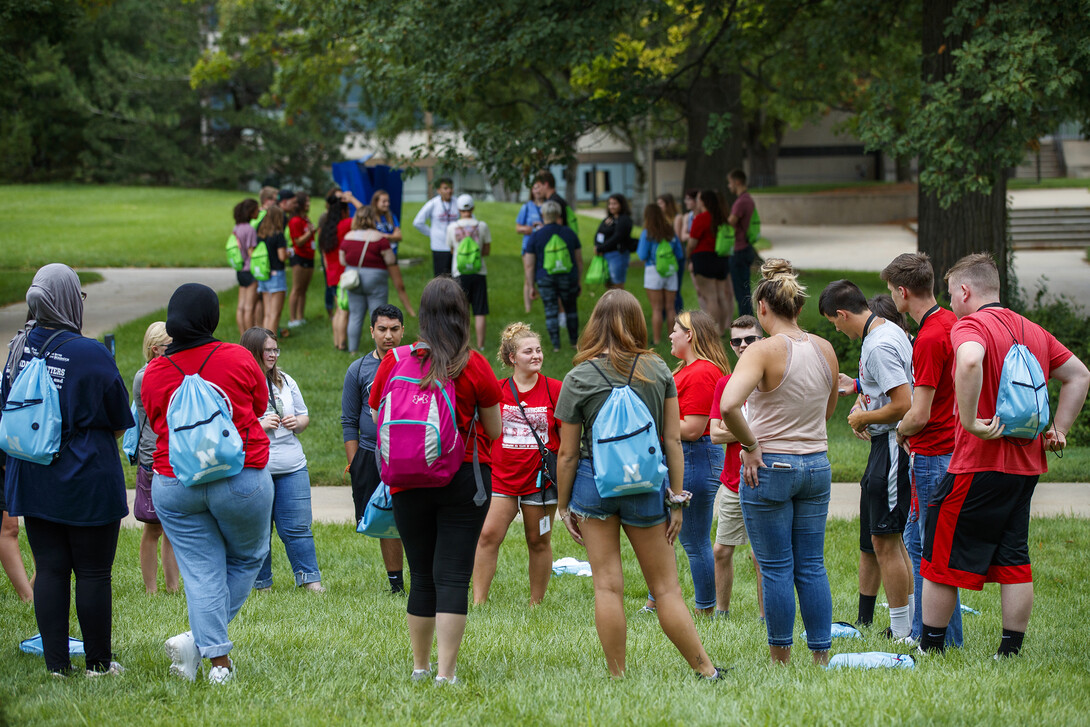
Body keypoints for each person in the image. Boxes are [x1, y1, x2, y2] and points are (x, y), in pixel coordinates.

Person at [920, 254, 1089, 657]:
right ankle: (1009, 651)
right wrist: (1059, 430)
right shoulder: (1031, 329)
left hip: (978, 462)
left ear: (965, 291)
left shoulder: (971, 324)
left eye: (950, 295)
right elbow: (1079, 374)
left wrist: (971, 419)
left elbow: (971, 359)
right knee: (1014, 556)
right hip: (1027, 466)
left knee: (938, 554)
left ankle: (931, 647)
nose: (950, 304)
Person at [554, 289, 723, 680]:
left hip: (594, 485)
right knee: (666, 589)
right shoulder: (657, 369)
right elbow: (673, 441)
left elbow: (566, 455)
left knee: (607, 587)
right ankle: (706, 670)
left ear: (594, 323)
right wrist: (677, 499)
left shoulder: (578, 376)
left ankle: (617, 675)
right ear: (637, 322)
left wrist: (565, 506)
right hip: (647, 485)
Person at [367, 277, 502, 685]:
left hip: (408, 480)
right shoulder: (472, 363)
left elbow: (378, 417)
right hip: (463, 478)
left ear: (421, 316)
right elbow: (494, 430)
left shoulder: (396, 360)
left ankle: (420, 668)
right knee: (453, 576)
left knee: (421, 575)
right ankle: (447, 673)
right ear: (462, 313)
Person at [2, 264, 134, 676]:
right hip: (87, 479)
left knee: (51, 569)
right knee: (94, 572)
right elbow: (118, 418)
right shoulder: (91, 353)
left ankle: (57, 665)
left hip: (33, 477)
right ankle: (97, 664)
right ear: (67, 301)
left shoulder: (16, 349)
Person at [142, 283, 274, 685]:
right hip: (241, 475)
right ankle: (201, 644)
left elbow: (155, 418)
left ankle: (216, 663)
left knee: (201, 573)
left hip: (174, 482)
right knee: (249, 556)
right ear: (212, 317)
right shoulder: (236, 356)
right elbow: (260, 404)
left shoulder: (154, 372)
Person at [719, 259, 839, 665]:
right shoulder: (825, 348)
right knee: (811, 565)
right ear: (798, 308)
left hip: (771, 468)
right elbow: (828, 410)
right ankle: (821, 657)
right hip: (817, 465)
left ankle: (780, 659)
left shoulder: (763, 351)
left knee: (775, 568)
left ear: (762, 309)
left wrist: (750, 445)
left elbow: (728, 406)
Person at [820, 279, 915, 639]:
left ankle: (903, 630)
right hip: (885, 446)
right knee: (889, 540)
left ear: (843, 314)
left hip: (892, 445)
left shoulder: (878, 344)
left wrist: (864, 417)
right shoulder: (885, 329)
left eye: (834, 322)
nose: (837, 329)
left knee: (886, 541)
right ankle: (907, 623)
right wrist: (861, 394)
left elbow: (904, 403)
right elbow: (889, 388)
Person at [880, 252, 963, 647]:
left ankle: (940, 641)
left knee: (931, 553)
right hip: (948, 451)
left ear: (902, 292)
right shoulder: (950, 321)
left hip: (932, 456)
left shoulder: (929, 337)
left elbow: (921, 413)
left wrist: (898, 430)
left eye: (890, 292)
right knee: (922, 545)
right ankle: (929, 634)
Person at [641, 310, 729, 617]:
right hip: (682, 457)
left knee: (693, 539)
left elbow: (692, 428)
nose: (670, 335)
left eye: (675, 330)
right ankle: (655, 602)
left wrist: (650, 421)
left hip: (695, 457)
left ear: (689, 335)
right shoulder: (686, 369)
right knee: (664, 532)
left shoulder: (703, 371)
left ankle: (705, 610)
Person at [473, 323, 562, 605]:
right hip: (501, 477)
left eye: (538, 350)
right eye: (528, 351)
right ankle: (478, 602)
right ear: (512, 358)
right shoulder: (497, 390)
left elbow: (566, 436)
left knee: (539, 541)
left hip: (542, 481)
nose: (536, 355)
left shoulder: (555, 389)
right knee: (487, 536)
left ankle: (536, 604)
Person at [240, 327, 324, 594]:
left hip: (292, 466)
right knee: (258, 530)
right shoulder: (239, 382)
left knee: (298, 527)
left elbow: (304, 417)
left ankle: (310, 580)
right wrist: (259, 424)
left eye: (276, 349)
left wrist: (296, 422)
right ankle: (261, 584)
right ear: (254, 351)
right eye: (268, 350)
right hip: (256, 466)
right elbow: (231, 424)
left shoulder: (285, 381)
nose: (274, 354)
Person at [343, 304, 406, 594]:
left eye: (394, 329)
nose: (388, 335)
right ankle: (396, 585)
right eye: (382, 329)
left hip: (411, 454)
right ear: (371, 331)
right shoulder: (358, 369)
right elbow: (349, 421)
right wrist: (356, 465)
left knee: (416, 517)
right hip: (371, 454)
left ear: (403, 330)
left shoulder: (415, 363)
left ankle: (426, 576)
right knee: (386, 520)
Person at [709, 315, 764, 619]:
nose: (742, 345)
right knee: (721, 550)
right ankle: (722, 612)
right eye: (736, 341)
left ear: (762, 340)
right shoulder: (725, 384)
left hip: (764, 476)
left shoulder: (770, 380)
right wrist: (750, 431)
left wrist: (739, 430)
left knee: (761, 555)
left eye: (750, 339)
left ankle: (765, 615)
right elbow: (715, 434)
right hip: (732, 481)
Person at [132, 321, 179, 595]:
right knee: (153, 528)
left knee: (172, 527)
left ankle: (173, 587)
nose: (175, 351)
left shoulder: (174, 370)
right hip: (153, 455)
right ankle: (151, 589)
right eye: (169, 347)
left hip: (176, 455)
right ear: (154, 349)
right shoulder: (145, 376)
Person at [341, 205, 416, 356]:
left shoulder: (347, 237)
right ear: (372, 218)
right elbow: (390, 259)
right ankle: (381, 351)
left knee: (355, 315)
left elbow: (342, 260)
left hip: (353, 279)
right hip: (375, 279)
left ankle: (353, 350)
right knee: (379, 317)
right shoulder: (379, 238)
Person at [525, 201, 584, 352]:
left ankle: (556, 346)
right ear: (558, 215)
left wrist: (531, 285)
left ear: (543, 215)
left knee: (551, 310)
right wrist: (578, 280)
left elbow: (530, 264)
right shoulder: (570, 233)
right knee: (571, 309)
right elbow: (578, 260)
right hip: (568, 276)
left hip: (545, 278)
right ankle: (573, 342)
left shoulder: (536, 236)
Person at [447, 194, 491, 351]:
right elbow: (486, 251)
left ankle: (463, 343)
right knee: (479, 310)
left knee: (460, 309)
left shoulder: (452, 227)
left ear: (458, 209)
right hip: (479, 271)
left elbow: (452, 250)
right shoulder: (482, 225)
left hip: (459, 272)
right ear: (473, 208)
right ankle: (481, 345)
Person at [636, 203, 684, 344]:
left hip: (653, 270)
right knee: (670, 307)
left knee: (657, 308)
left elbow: (642, 255)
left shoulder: (647, 232)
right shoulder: (670, 231)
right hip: (670, 272)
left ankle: (656, 340)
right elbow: (679, 254)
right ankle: (672, 339)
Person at [687, 189, 732, 334]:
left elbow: (692, 243)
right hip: (721, 259)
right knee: (721, 296)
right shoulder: (722, 218)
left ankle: (713, 331)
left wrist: (688, 256)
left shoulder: (701, 218)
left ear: (704, 202)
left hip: (704, 259)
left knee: (710, 297)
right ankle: (723, 329)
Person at [318, 189, 355, 349]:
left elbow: (325, 258)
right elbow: (365, 215)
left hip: (331, 275)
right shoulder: (345, 225)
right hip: (343, 275)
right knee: (344, 311)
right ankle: (342, 344)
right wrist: (352, 199)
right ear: (343, 211)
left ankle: (336, 342)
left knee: (338, 310)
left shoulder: (325, 230)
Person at [412, 177, 459, 277]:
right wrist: (432, 233)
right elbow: (418, 222)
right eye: (445, 188)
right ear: (438, 190)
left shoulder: (457, 202)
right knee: (441, 278)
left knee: (456, 278)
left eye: (451, 188)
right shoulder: (433, 204)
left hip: (456, 247)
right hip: (439, 247)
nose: (449, 191)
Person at [726, 169, 758, 316]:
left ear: (737, 181)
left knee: (741, 291)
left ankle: (746, 322)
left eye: (730, 182)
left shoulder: (741, 202)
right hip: (745, 247)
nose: (729, 186)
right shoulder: (748, 199)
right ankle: (748, 320)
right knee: (744, 289)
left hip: (739, 248)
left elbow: (731, 222)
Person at [256, 206, 289, 336]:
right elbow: (281, 256)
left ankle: (263, 342)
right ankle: (270, 346)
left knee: (268, 313)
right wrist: (288, 253)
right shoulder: (278, 235)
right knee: (275, 314)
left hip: (264, 275)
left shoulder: (260, 235)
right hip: (277, 275)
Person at [233, 198, 262, 336]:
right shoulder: (250, 229)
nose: (259, 212)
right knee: (249, 307)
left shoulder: (236, 228)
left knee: (241, 307)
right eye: (257, 209)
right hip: (250, 270)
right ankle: (250, 338)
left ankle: (242, 335)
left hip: (240, 270)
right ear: (251, 212)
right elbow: (251, 252)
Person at [287, 192, 316, 329]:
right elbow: (298, 242)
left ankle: (300, 317)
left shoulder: (305, 219)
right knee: (297, 288)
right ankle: (292, 319)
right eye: (307, 201)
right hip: (299, 257)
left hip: (309, 256)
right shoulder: (295, 221)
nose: (309, 204)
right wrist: (310, 232)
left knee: (304, 289)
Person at [517, 180, 547, 312]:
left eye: (539, 188)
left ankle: (547, 304)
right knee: (528, 275)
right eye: (534, 188)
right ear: (531, 191)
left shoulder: (548, 206)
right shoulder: (527, 207)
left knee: (546, 275)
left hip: (545, 247)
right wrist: (529, 229)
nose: (537, 191)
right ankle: (528, 309)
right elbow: (518, 228)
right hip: (528, 246)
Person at [593, 193, 633, 290]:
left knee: (617, 286)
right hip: (606, 255)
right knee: (608, 285)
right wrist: (597, 246)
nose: (611, 206)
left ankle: (620, 305)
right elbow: (599, 234)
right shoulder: (608, 220)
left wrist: (600, 248)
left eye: (615, 204)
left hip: (618, 255)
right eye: (610, 204)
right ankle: (611, 305)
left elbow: (617, 237)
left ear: (621, 205)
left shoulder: (624, 220)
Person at [372, 189, 403, 257]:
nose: (387, 204)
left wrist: (385, 236)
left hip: (392, 253)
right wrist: (392, 236)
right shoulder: (371, 217)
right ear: (376, 202)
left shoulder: (391, 216)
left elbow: (399, 237)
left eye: (388, 201)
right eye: (384, 201)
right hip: (377, 254)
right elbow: (372, 236)